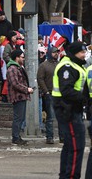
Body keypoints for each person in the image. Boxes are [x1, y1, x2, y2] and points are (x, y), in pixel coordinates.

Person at [52, 41, 87, 179]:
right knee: (76, 146)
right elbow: (67, 91)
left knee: (70, 146)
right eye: (81, 52)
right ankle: (71, 176)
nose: (84, 55)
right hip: (68, 110)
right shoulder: (67, 67)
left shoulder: (74, 65)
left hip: (71, 109)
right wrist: (85, 99)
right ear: (74, 53)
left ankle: (66, 175)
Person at [6, 49, 34, 145]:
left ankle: (17, 136)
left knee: (20, 118)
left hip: (21, 96)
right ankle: (15, 137)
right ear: (17, 57)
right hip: (17, 96)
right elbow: (15, 84)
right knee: (18, 118)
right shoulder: (12, 69)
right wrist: (27, 89)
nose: (23, 59)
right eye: (22, 57)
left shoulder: (18, 68)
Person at [37, 47, 60, 144]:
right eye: (54, 52)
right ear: (50, 53)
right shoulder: (44, 65)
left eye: (57, 52)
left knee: (60, 117)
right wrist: (45, 91)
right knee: (50, 117)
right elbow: (40, 78)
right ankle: (49, 137)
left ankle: (62, 136)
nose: (56, 54)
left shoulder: (59, 65)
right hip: (49, 94)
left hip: (59, 94)